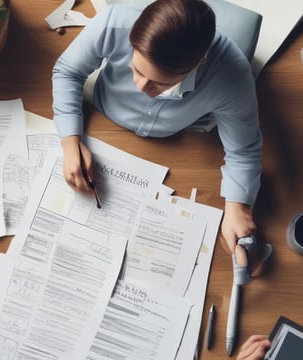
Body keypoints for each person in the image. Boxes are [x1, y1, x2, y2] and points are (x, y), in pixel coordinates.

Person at [52, 0, 262, 253]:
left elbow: (244, 150)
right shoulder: (115, 21)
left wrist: (238, 207)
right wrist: (70, 141)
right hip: (100, 120)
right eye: (136, 70)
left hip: (181, 146)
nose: (140, 87)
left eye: (159, 84)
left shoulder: (233, 76)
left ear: (200, 63)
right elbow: (67, 71)